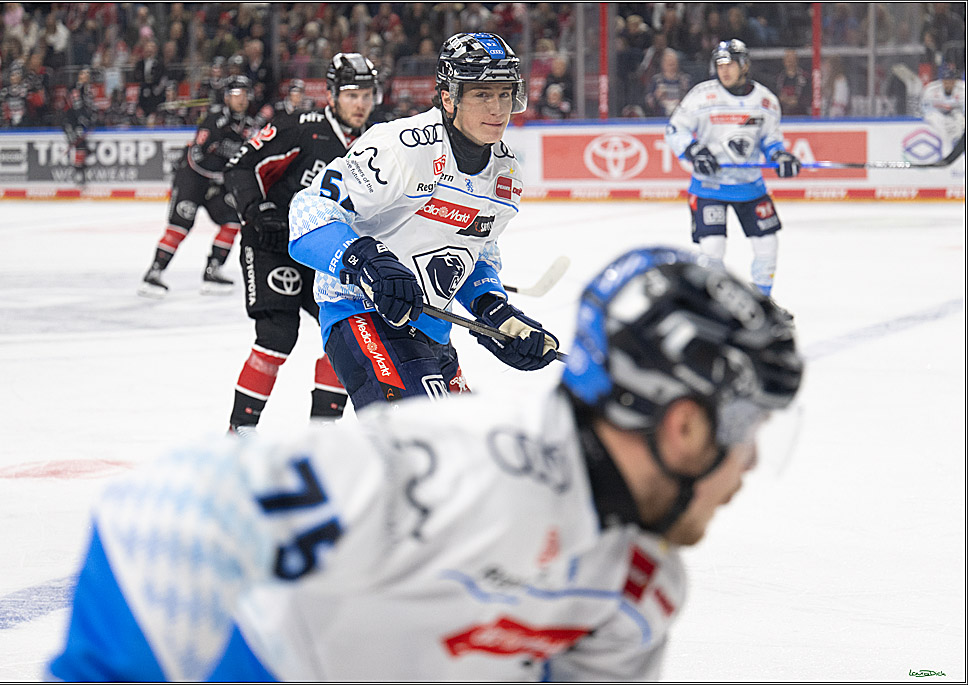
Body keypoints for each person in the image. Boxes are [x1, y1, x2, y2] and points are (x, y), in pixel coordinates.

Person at [46, 246, 804, 681]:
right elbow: (164, 517)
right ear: (681, 426)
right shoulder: (452, 467)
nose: (750, 464)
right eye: (746, 429)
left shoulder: (643, 591)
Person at [287, 32, 559, 412]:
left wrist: (495, 311)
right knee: (427, 443)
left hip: (431, 325)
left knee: (469, 451)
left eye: (504, 93)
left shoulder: (506, 176)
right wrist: (368, 259)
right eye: (482, 94)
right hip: (360, 312)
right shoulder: (400, 147)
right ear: (449, 97)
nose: (498, 109)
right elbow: (308, 211)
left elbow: (476, 254)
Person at [221, 53, 381, 433]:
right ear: (331, 95)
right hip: (272, 244)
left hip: (324, 253)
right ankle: (239, 435)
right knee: (277, 335)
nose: (360, 104)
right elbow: (241, 167)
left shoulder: (378, 142)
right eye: (351, 95)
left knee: (348, 334)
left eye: (367, 95)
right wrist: (257, 210)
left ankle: (322, 438)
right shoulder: (299, 128)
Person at [665, 39, 801, 301]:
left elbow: (770, 139)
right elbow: (675, 129)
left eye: (730, 64)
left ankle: (764, 303)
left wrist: (780, 155)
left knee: (767, 246)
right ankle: (715, 307)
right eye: (720, 64)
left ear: (745, 65)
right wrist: (693, 149)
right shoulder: (702, 96)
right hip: (709, 187)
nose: (724, 70)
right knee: (712, 250)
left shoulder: (765, 101)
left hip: (750, 186)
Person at [138, 75, 252, 298]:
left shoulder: (247, 126)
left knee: (232, 220)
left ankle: (213, 270)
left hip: (216, 184)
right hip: (192, 179)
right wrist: (222, 175)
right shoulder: (214, 120)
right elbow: (197, 156)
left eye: (245, 95)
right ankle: (154, 273)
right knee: (180, 226)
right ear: (227, 97)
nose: (242, 100)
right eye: (237, 95)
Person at [920, 62, 966, 160]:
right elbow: (924, 108)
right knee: (937, 120)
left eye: (951, 81)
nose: (948, 84)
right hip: (937, 114)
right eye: (946, 81)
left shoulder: (963, 89)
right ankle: (945, 153)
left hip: (956, 115)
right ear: (942, 81)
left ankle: (958, 153)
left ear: (955, 81)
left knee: (960, 121)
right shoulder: (931, 89)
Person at [64, 67, 95, 185]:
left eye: (88, 74)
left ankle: (81, 170)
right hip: (71, 122)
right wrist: (84, 121)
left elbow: (90, 106)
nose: (85, 76)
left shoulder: (88, 89)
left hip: (81, 122)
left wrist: (92, 118)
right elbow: (77, 108)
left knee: (84, 146)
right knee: (80, 144)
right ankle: (78, 172)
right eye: (83, 73)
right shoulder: (75, 89)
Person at [775, 48, 811, 116]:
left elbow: (811, 96)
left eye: (792, 58)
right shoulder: (777, 77)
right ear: (784, 60)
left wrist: (798, 101)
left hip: (802, 115)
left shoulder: (806, 77)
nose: (790, 61)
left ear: (797, 60)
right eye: (788, 58)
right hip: (782, 115)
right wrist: (780, 99)